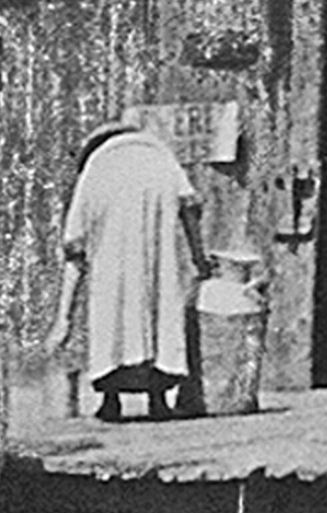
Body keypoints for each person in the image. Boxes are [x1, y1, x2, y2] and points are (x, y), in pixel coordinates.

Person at [48, 123, 212, 421]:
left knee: (112, 324)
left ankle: (110, 401)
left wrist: (64, 318)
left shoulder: (97, 169)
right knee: (159, 318)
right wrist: (198, 257)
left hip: (110, 266)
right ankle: (158, 400)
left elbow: (74, 244)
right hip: (157, 261)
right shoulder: (162, 159)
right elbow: (190, 208)